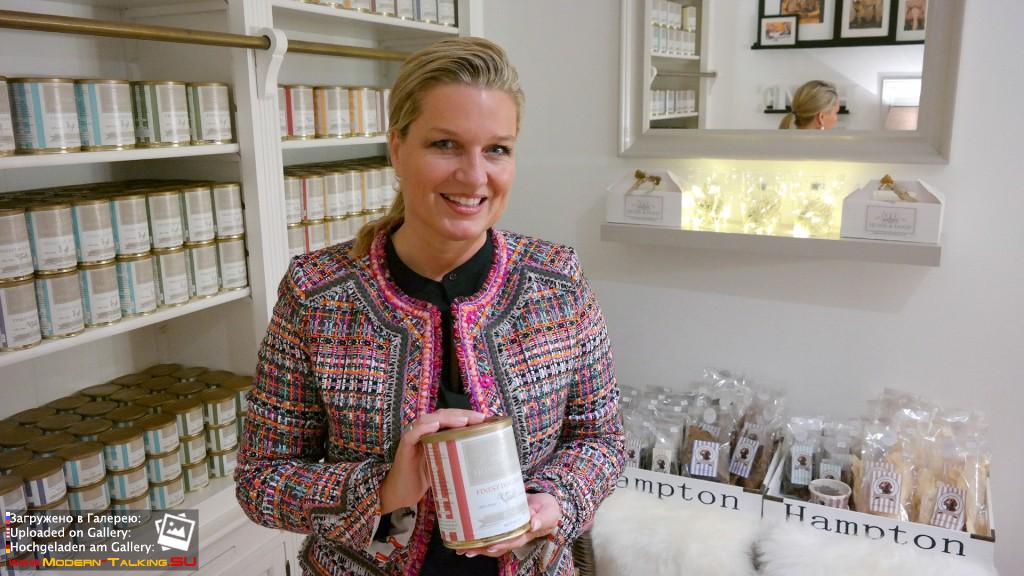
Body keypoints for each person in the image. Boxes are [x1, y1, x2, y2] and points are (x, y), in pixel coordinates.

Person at [235, 37, 624, 576]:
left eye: (497, 149)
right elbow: (261, 479)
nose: (474, 175)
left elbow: (601, 440)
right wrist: (383, 490)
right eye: (445, 144)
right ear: (397, 148)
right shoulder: (318, 292)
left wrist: (552, 503)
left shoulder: (556, 280)